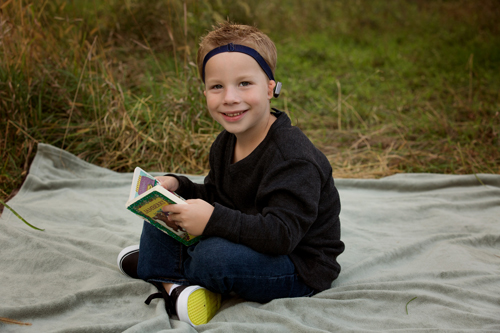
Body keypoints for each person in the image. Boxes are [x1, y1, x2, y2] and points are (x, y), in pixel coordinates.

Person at [117, 22, 344, 327]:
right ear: (205, 92)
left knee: (214, 257)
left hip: (296, 264)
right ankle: (175, 287)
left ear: (270, 87)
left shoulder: (293, 158)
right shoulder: (226, 143)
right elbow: (218, 196)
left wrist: (212, 220)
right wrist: (179, 186)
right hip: (250, 236)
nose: (230, 98)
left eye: (244, 84)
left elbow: (281, 236)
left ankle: (161, 269)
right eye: (217, 86)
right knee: (166, 209)